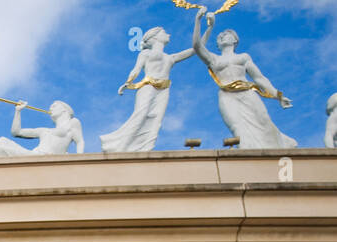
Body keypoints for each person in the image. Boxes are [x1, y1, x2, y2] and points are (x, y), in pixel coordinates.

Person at [192, 9, 294, 149]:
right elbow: (197, 46)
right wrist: (204, 23)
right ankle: (246, 151)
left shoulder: (243, 57)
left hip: (247, 93)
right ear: (217, 44)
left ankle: (278, 147)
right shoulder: (214, 59)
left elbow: (259, 78)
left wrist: (278, 95)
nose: (222, 36)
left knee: (264, 121)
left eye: (227, 35)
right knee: (237, 125)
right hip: (227, 96)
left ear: (235, 40)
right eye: (220, 36)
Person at [101, 26, 194, 153]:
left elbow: (196, 49)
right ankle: (119, 147)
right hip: (148, 87)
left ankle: (146, 148)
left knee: (156, 120)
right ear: (155, 37)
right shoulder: (145, 53)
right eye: (164, 32)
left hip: (163, 90)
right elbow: (136, 69)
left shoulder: (170, 58)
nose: (169, 34)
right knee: (140, 116)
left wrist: (203, 24)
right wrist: (128, 82)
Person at [0, 101, 84, 159]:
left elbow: (80, 141)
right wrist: (18, 111)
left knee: (0, 149)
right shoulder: (44, 130)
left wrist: (79, 160)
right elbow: (16, 132)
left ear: (64, 110)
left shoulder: (72, 122)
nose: (51, 108)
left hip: (44, 157)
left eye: (54, 106)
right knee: (2, 140)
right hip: (35, 155)